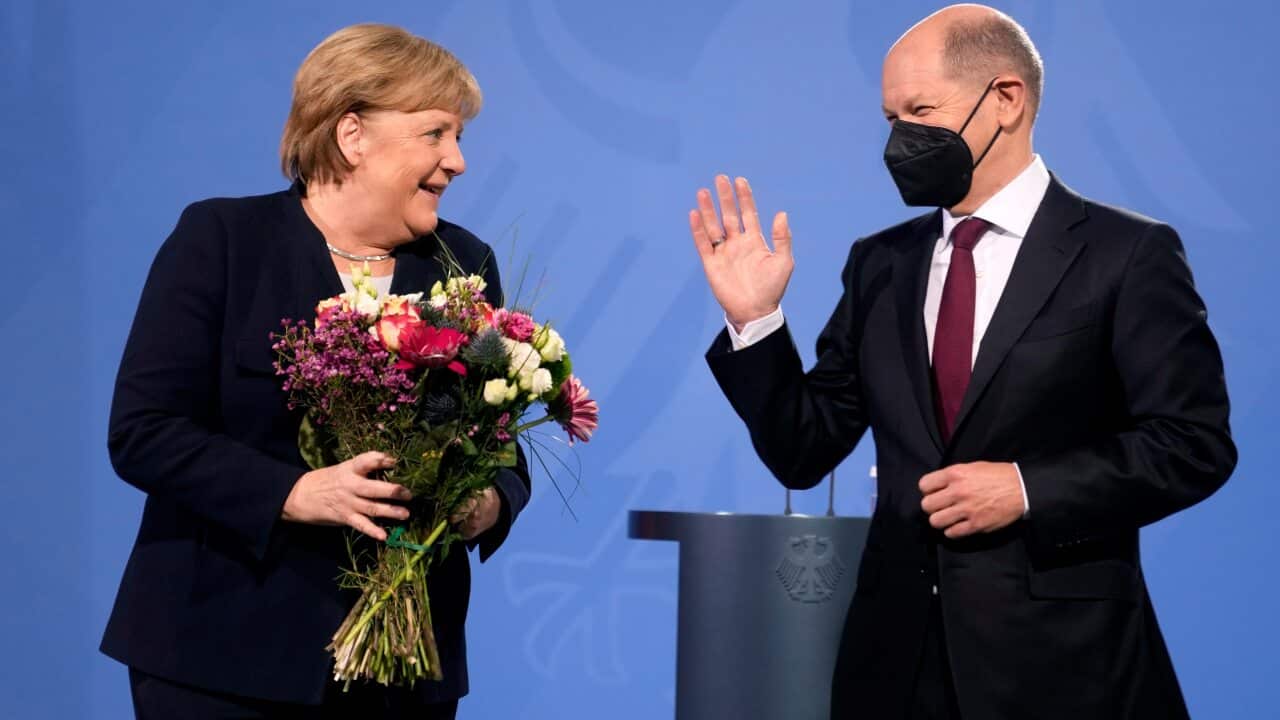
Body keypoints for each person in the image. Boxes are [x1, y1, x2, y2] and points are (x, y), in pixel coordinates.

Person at [690, 5, 1235, 719]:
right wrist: (754, 320)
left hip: (1065, 669)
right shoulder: (881, 263)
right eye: (890, 119)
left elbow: (1193, 444)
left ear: (1006, 100)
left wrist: (1026, 488)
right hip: (894, 671)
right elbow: (804, 448)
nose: (900, 140)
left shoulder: (1126, 254)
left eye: (919, 110)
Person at [103, 23, 530, 719]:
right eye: (435, 134)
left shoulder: (464, 264)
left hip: (404, 672)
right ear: (351, 134)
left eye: (460, 138)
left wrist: (489, 503)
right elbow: (144, 432)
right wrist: (294, 492)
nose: (457, 162)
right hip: (219, 657)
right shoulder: (223, 241)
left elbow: (502, 444)